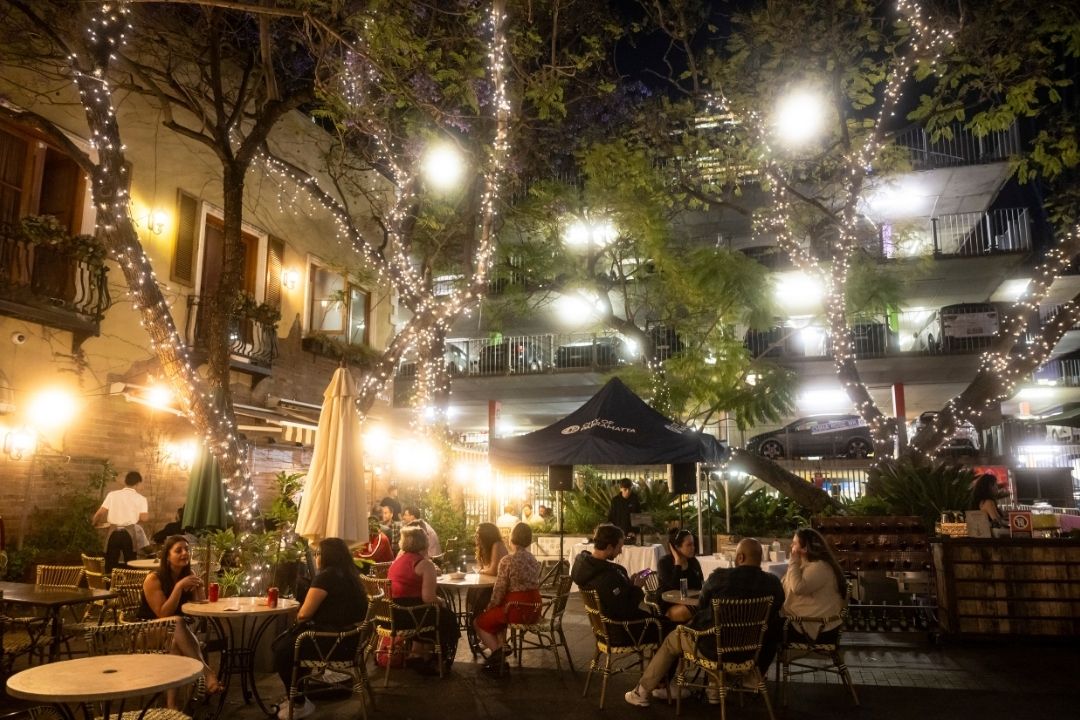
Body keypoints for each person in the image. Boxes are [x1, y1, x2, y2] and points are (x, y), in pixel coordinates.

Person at [624, 538, 785, 707]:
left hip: (712, 647)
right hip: (750, 651)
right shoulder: (773, 583)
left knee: (674, 638)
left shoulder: (720, 578)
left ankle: (641, 692)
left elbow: (702, 605)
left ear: (740, 558)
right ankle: (713, 690)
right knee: (717, 630)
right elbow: (776, 608)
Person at [273, 537, 368, 720]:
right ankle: (299, 696)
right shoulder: (349, 574)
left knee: (282, 650)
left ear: (326, 556)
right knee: (291, 644)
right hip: (353, 641)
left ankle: (299, 703)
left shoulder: (326, 577)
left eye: (318, 553)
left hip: (334, 642)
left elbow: (304, 614)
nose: (316, 557)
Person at [137, 535, 222, 705]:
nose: (184, 553)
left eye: (187, 550)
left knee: (175, 643)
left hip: (174, 632)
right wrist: (178, 587)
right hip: (144, 631)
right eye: (178, 550)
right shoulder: (153, 579)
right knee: (176, 621)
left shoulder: (187, 574)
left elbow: (199, 607)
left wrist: (198, 586)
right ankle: (206, 672)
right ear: (167, 557)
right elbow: (163, 615)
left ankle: (172, 706)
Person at [387, 526, 461, 674]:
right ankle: (438, 662)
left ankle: (419, 655)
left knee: (434, 613)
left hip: (393, 614)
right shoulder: (425, 565)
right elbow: (428, 598)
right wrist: (441, 601)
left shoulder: (397, 562)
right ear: (425, 542)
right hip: (411, 616)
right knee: (447, 617)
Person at [571, 523, 660, 645]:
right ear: (609, 547)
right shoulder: (605, 576)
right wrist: (637, 587)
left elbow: (614, 598)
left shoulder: (586, 566)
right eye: (619, 547)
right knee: (670, 629)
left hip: (604, 629)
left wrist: (629, 583)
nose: (620, 551)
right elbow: (626, 610)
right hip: (621, 631)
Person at [474, 522, 542, 672]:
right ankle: (500, 651)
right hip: (535, 608)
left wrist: (489, 607)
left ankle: (497, 652)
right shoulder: (533, 559)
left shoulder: (507, 561)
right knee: (495, 618)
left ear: (511, 539)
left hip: (516, 609)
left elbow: (499, 590)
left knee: (478, 622)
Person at [783, 528, 847, 645]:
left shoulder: (819, 567)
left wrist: (793, 561)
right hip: (810, 622)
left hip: (817, 628)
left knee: (767, 628)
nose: (791, 545)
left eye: (794, 543)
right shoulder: (807, 565)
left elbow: (798, 588)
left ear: (805, 548)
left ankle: (754, 661)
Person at [92, 470, 150, 573]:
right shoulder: (141, 499)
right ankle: (129, 586)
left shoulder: (112, 495)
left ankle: (109, 586)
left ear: (126, 482)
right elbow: (144, 518)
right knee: (131, 563)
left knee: (110, 563)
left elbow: (99, 514)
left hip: (113, 533)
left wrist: (94, 524)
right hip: (129, 534)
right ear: (138, 483)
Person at [656, 528, 704, 623]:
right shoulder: (664, 563)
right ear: (677, 547)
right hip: (668, 604)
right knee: (695, 611)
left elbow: (699, 585)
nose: (693, 548)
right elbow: (674, 585)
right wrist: (678, 563)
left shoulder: (693, 562)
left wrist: (687, 568)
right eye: (689, 545)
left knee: (708, 608)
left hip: (689, 602)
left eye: (693, 544)